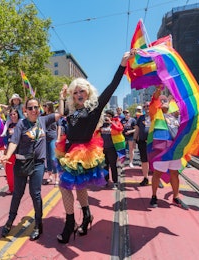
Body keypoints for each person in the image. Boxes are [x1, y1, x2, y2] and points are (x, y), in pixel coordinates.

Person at [55, 51, 135, 244]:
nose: (78, 94)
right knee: (79, 187)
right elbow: (61, 113)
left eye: (81, 91)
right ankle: (87, 215)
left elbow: (111, 87)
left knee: (64, 186)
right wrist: (62, 96)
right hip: (70, 151)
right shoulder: (72, 110)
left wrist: (122, 64)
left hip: (84, 152)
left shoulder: (94, 108)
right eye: (75, 92)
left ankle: (69, 224)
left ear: (88, 92)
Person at [0, 96, 63, 241]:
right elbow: (14, 142)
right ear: (25, 110)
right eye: (30, 108)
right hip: (21, 163)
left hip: (38, 164)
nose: (33, 110)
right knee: (17, 194)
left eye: (36, 107)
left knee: (35, 193)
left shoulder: (44, 120)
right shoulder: (21, 124)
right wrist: (8, 155)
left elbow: (60, 113)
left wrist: (61, 98)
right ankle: (9, 222)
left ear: (39, 108)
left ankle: (38, 224)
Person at [148, 86, 188, 209]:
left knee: (174, 174)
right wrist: (159, 89)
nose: (164, 102)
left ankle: (176, 197)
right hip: (162, 151)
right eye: (162, 101)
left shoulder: (176, 116)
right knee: (157, 174)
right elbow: (155, 99)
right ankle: (154, 196)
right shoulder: (156, 113)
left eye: (166, 100)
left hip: (175, 150)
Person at [100, 109, 123, 189]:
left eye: (109, 116)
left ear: (112, 117)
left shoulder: (115, 123)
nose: (107, 117)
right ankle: (106, 181)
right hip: (103, 148)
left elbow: (120, 129)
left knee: (113, 165)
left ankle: (115, 182)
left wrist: (111, 122)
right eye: (106, 116)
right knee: (105, 166)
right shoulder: (102, 124)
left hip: (112, 148)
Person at [3, 108, 21, 194]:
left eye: (14, 114)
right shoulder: (8, 125)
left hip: (20, 151)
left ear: (18, 114)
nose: (13, 116)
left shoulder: (22, 124)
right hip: (11, 151)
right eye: (11, 114)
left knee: (20, 171)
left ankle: (20, 187)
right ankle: (11, 188)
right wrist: (6, 150)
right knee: (9, 170)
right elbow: (6, 138)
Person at [133, 102, 151, 186]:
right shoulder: (141, 118)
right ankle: (145, 178)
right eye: (145, 106)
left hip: (154, 143)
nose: (147, 107)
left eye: (149, 106)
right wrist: (134, 140)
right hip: (142, 142)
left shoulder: (157, 116)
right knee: (144, 161)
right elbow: (137, 129)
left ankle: (157, 179)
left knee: (155, 161)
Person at [42, 101, 58, 186]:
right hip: (45, 139)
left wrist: (58, 138)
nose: (44, 107)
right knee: (47, 158)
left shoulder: (55, 115)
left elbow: (59, 126)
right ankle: (50, 176)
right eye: (43, 105)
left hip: (53, 138)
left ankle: (56, 178)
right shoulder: (42, 116)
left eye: (45, 105)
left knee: (53, 158)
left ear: (50, 106)